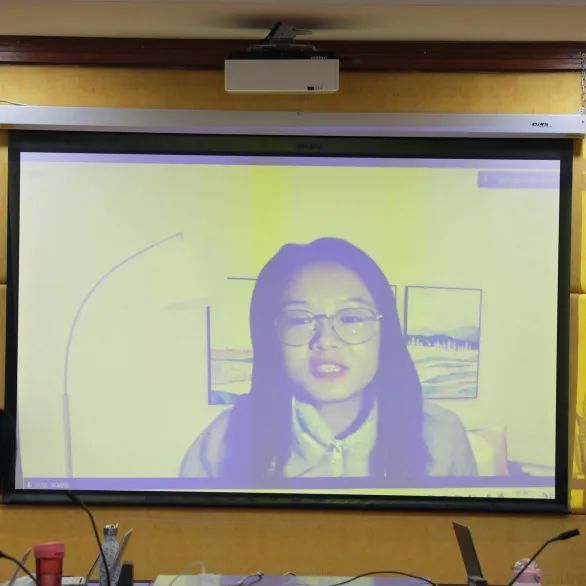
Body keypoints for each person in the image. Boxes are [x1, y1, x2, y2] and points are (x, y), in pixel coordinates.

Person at [180, 237, 477, 484]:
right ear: (271, 335)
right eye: (299, 319)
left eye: (351, 318)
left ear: (385, 331)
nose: (325, 340)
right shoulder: (223, 439)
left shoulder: (441, 434)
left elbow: (464, 534)